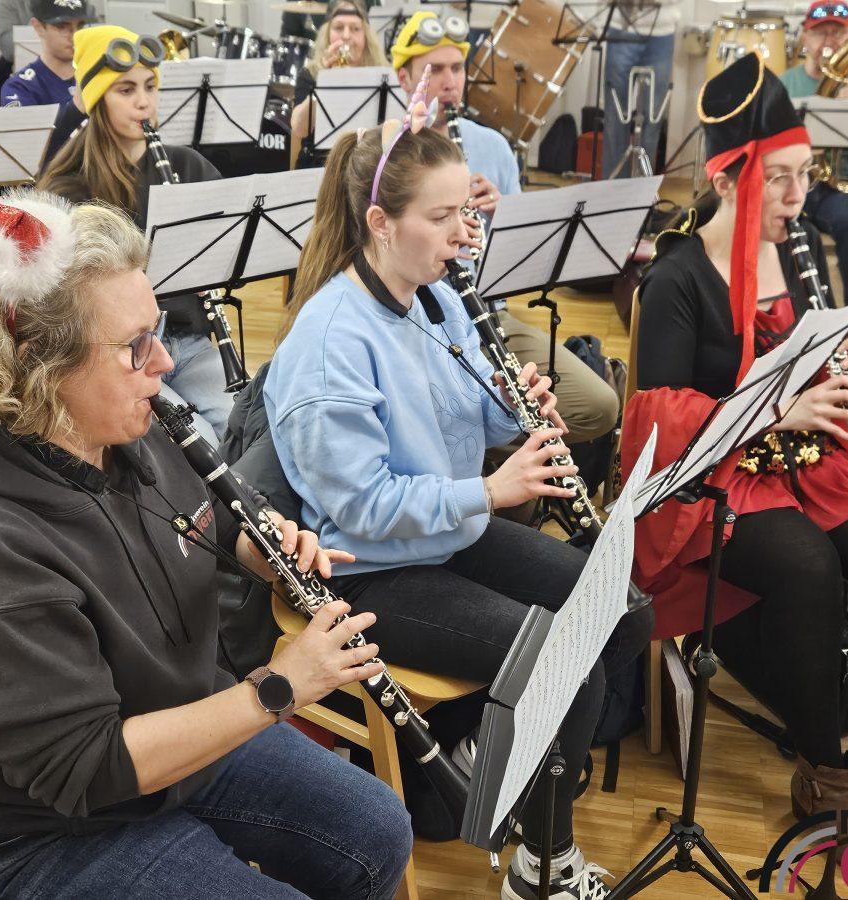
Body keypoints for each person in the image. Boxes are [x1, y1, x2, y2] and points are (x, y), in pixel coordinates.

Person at [0, 189, 412, 899]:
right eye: (135, 345)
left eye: (157, 330)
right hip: (37, 828)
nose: (163, 360)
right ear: (42, 364)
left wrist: (262, 550)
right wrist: (279, 687)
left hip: (169, 717)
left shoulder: (134, 428)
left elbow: (217, 518)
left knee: (378, 831)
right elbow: (88, 769)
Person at [262, 84, 652, 899]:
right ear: (380, 223)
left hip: (445, 534)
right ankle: (540, 868)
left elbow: (466, 408)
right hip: (369, 569)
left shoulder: (434, 297)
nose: (463, 233)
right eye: (441, 217)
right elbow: (364, 507)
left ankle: (490, 759)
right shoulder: (330, 342)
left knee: (622, 609)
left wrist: (517, 403)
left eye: (464, 212)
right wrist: (491, 490)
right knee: (564, 665)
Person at [622, 52, 848, 878]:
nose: (800, 198)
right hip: (712, 471)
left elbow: (808, 359)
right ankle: (825, 770)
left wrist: (843, 360)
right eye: (783, 178)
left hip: (801, 458)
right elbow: (656, 418)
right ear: (729, 178)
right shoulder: (677, 276)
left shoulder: (795, 252)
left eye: (806, 175)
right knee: (808, 565)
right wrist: (774, 409)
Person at [389, 10, 621, 446]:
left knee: (599, 406)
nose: (449, 82)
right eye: (435, 70)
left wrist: (502, 215)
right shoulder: (386, 150)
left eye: (457, 68)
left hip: (488, 316)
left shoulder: (493, 146)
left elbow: (525, 266)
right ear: (404, 78)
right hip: (412, 323)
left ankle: (490, 445)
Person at [38, 25, 236, 443]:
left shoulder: (188, 166)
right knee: (199, 441)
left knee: (239, 425)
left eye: (150, 86)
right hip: (124, 355)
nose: (144, 101)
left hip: (190, 341)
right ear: (97, 99)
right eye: (126, 90)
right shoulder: (70, 189)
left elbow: (234, 247)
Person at [779, 0, 848, 308]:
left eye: (838, 33)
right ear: (805, 38)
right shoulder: (786, 83)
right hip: (795, 181)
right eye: (821, 32)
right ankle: (788, 310)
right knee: (774, 222)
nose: (829, 41)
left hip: (841, 185)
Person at [290, 0, 389, 165]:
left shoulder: (383, 76)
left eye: (355, 29)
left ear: (366, 36)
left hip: (368, 165)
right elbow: (299, 129)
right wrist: (324, 80)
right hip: (319, 163)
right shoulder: (310, 74)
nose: (346, 36)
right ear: (327, 34)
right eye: (338, 28)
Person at [601, 0, 681, 179]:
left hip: (663, 32)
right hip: (622, 29)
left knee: (653, 118)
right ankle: (612, 189)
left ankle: (642, 188)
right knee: (615, 117)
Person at [0, 0, 91, 108]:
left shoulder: (96, 76)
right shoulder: (20, 87)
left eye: (80, 26)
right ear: (38, 27)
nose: (75, 36)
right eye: (62, 26)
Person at [0, 0, 34, 93]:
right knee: (4, 66)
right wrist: (41, 14)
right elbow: (8, 50)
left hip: (61, 60)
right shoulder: (7, 3)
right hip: (18, 61)